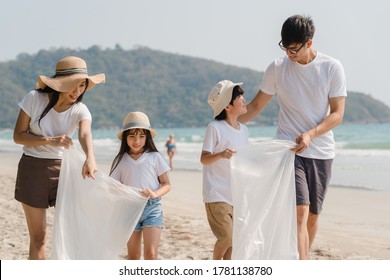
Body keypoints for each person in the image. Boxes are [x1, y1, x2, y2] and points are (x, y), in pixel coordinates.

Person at [239, 15, 347, 259]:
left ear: (309, 43)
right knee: (299, 211)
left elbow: (338, 115)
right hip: (288, 149)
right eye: (285, 47)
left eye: (294, 49)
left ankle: (299, 258)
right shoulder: (277, 69)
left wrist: (311, 133)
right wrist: (225, 123)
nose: (289, 53)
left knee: (312, 216)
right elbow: (255, 107)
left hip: (321, 151)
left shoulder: (332, 67)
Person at [13, 56, 105, 260]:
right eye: (73, 85)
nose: (77, 91)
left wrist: (90, 157)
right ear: (59, 83)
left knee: (71, 233)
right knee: (39, 237)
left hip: (64, 171)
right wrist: (49, 140)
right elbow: (18, 136)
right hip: (32, 169)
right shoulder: (34, 98)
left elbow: (84, 134)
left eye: (82, 85)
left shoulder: (80, 109)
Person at [109, 111, 171, 260]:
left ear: (147, 137)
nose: (137, 140)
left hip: (152, 208)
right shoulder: (121, 160)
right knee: (133, 257)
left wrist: (155, 193)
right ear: (125, 138)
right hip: (130, 210)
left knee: (151, 254)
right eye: (132, 136)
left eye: (141, 136)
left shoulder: (155, 157)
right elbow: (113, 187)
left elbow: (166, 184)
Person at [200, 80, 249, 260]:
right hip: (216, 193)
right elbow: (204, 158)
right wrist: (221, 154)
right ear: (228, 106)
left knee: (234, 240)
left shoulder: (244, 130)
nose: (244, 99)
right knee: (226, 236)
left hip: (236, 193)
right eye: (239, 97)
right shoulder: (215, 128)